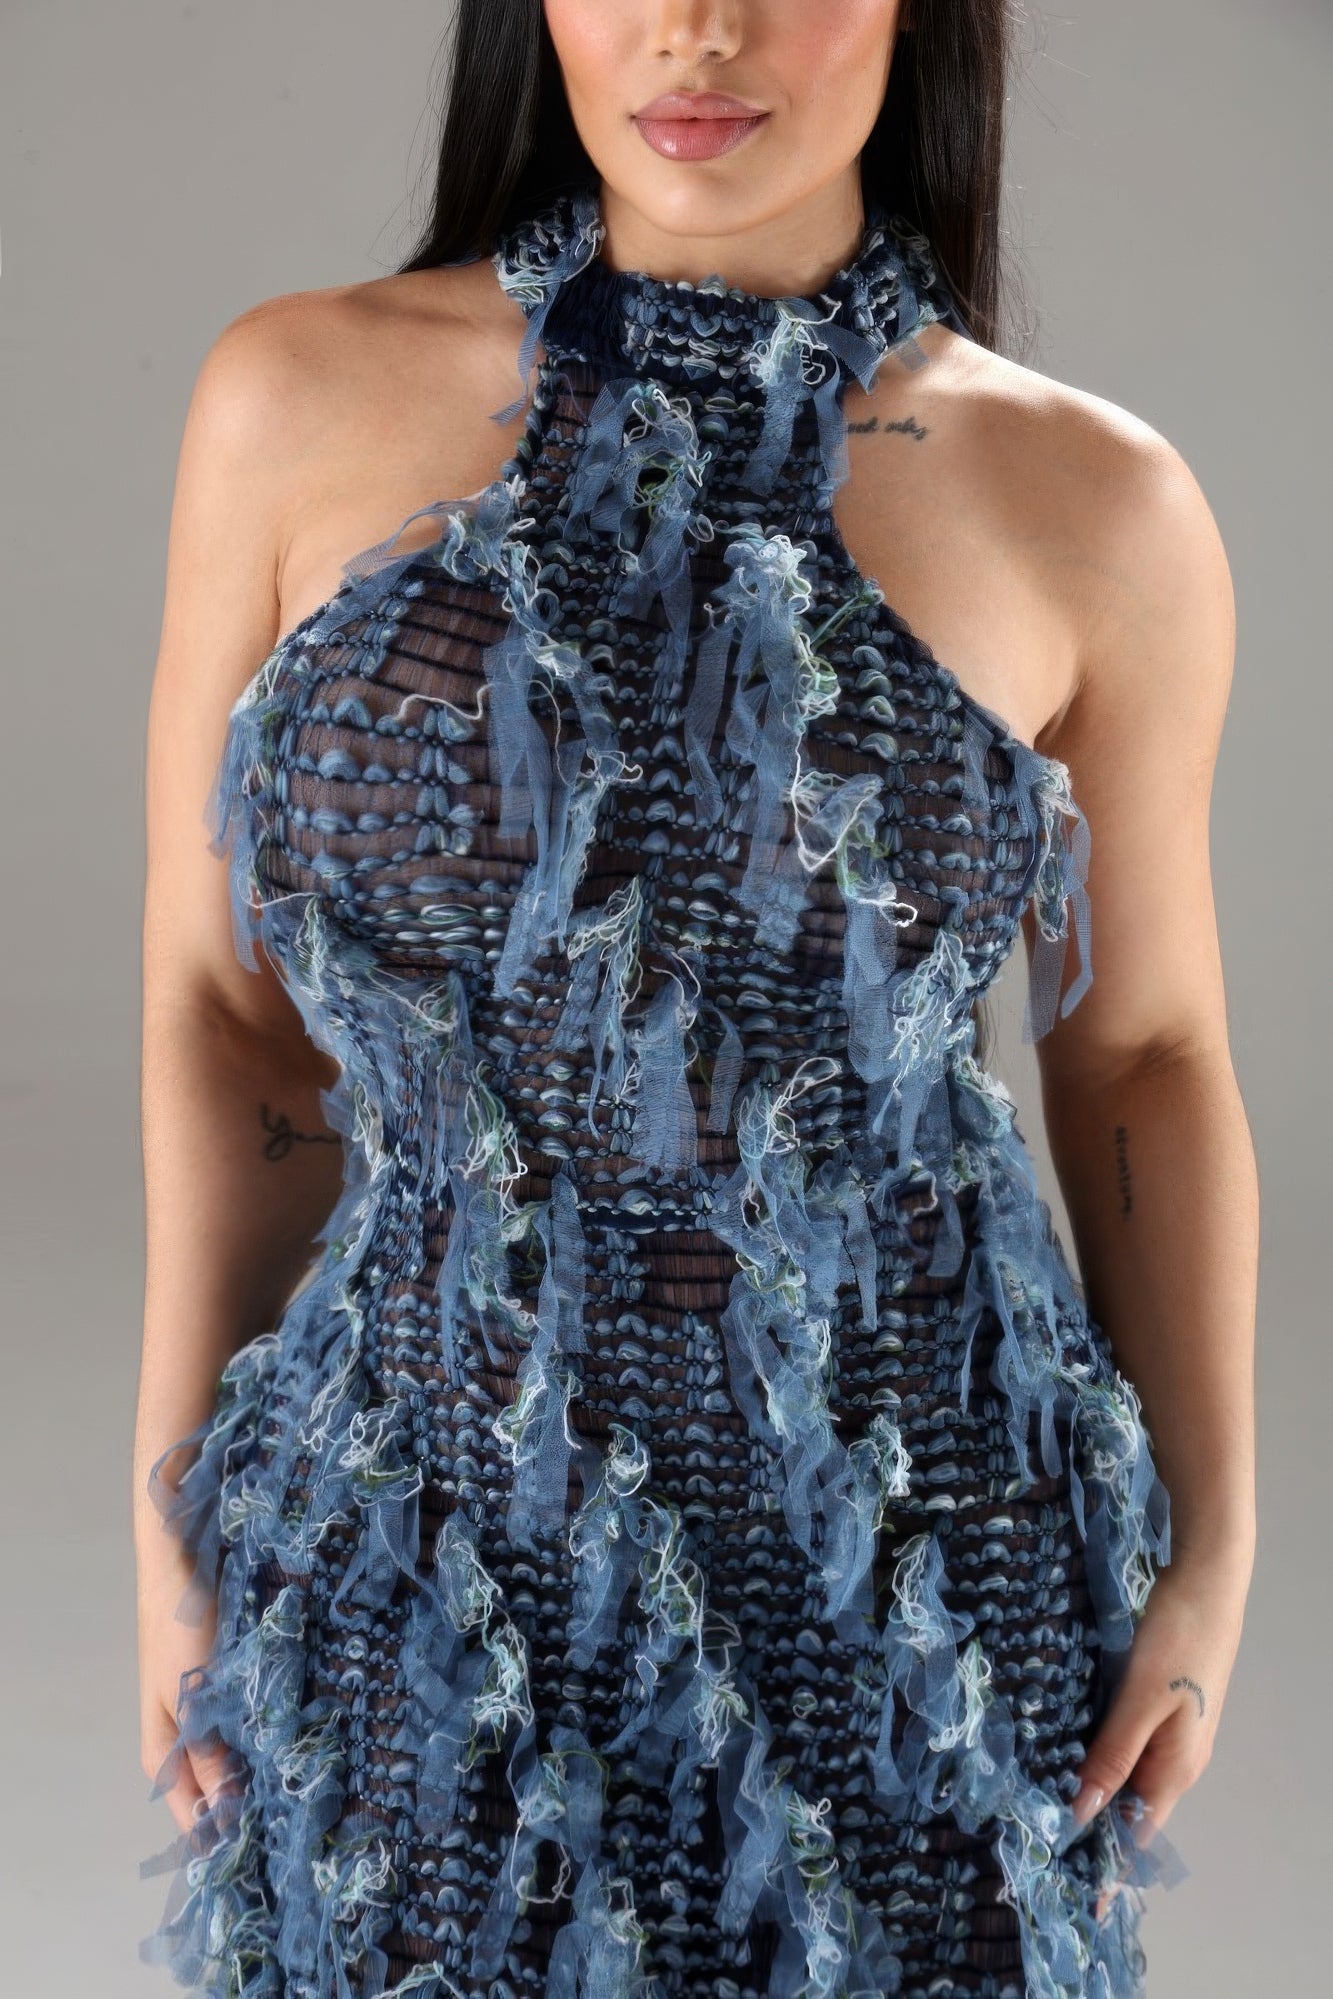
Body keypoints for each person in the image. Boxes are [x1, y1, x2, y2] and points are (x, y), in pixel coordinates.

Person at [133, 2, 1258, 1994]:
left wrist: (1219, 1542)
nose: (699, 27)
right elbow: (229, 1021)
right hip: (422, 1522)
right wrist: (166, 1500)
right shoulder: (292, 398)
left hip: (919, 1563)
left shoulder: (1094, 499)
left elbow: (1139, 1050)